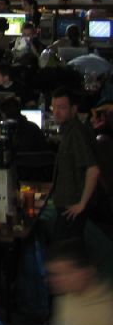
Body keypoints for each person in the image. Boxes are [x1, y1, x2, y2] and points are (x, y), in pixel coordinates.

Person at [49, 88, 103, 242]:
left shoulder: (77, 133)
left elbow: (93, 170)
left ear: (73, 109)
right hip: (68, 204)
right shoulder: (70, 131)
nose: (56, 112)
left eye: (61, 107)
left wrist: (82, 204)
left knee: (64, 249)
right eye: (54, 107)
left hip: (72, 207)